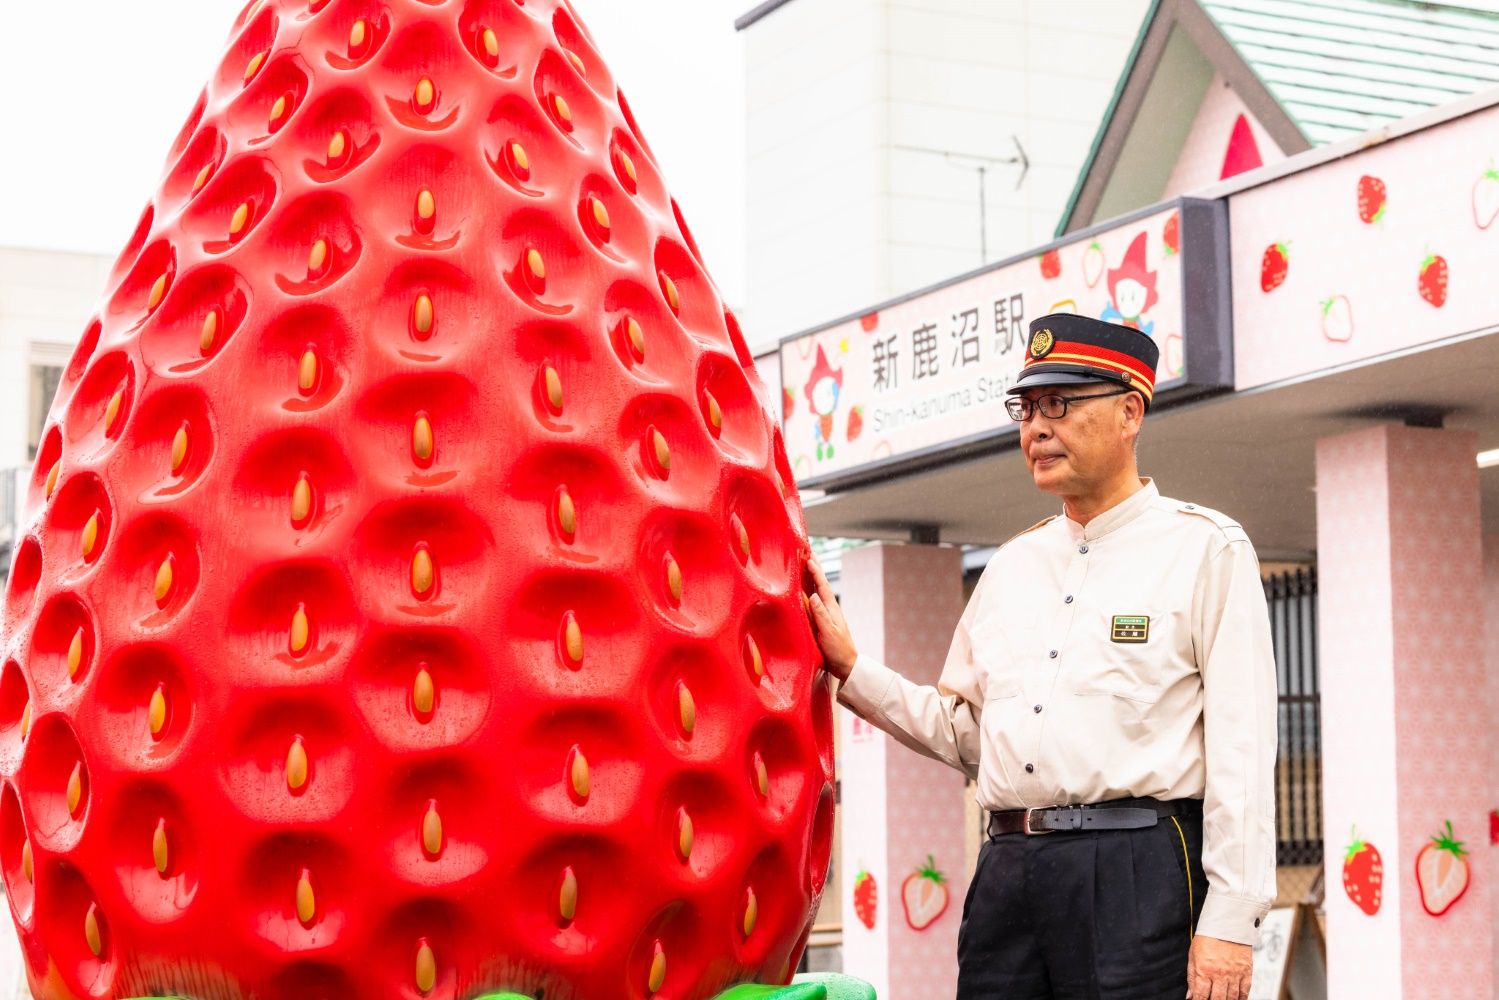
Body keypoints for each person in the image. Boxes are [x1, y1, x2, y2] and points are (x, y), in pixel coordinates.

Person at [806, 314, 1276, 1000]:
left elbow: (1242, 747)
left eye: (1059, 404)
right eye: (1024, 410)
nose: (1035, 429)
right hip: (1007, 871)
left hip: (1137, 869)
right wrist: (851, 669)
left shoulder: (1205, 549)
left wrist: (1231, 918)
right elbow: (968, 738)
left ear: (1128, 412)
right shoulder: (1010, 567)